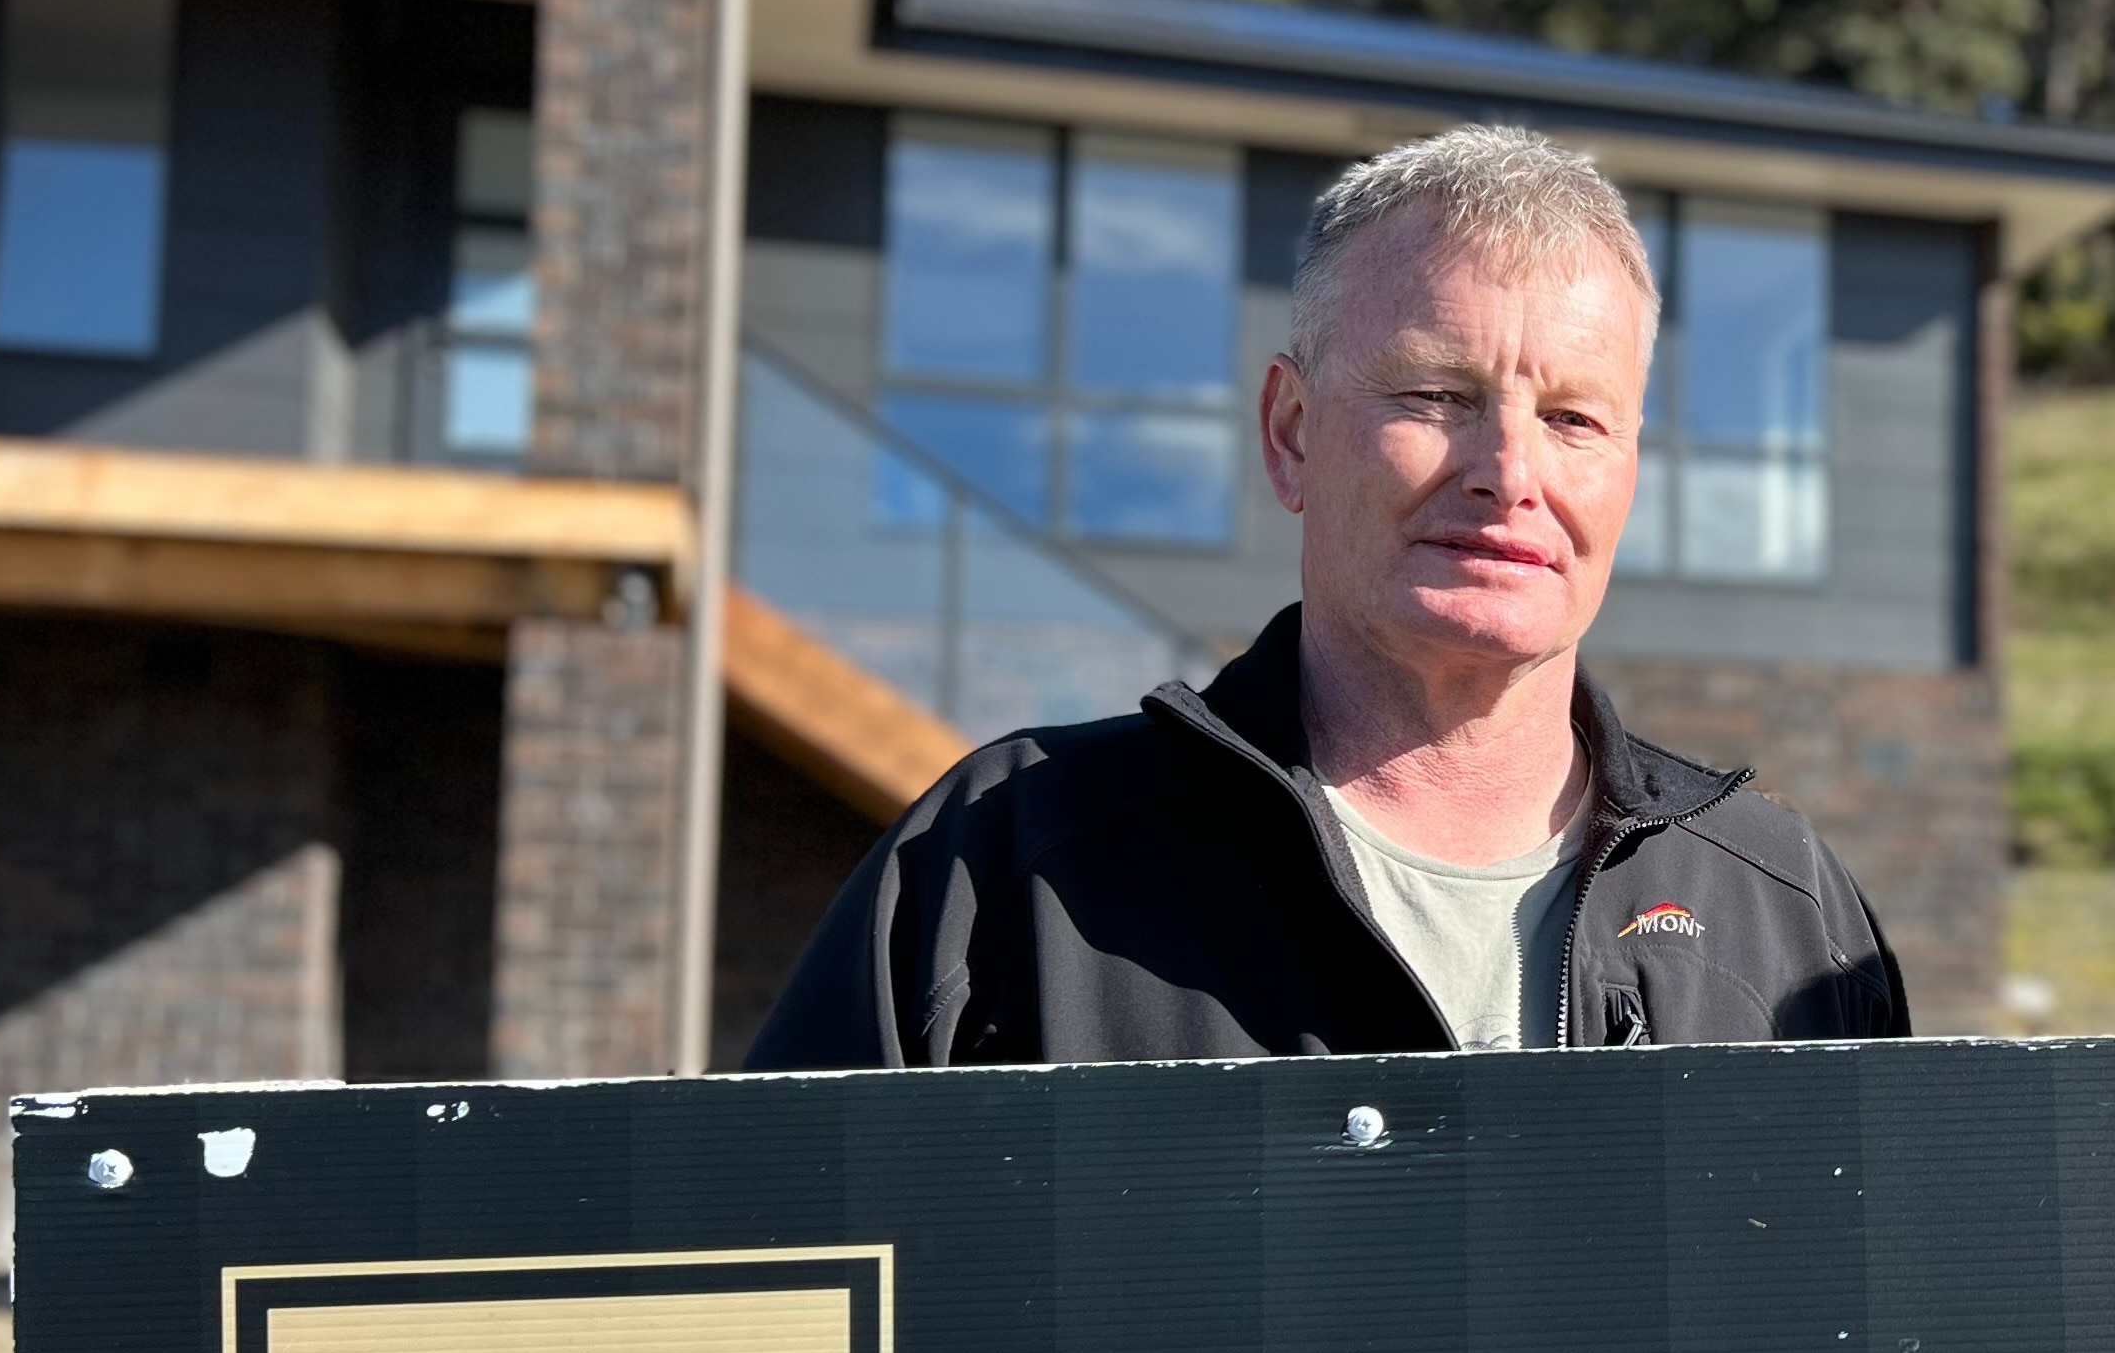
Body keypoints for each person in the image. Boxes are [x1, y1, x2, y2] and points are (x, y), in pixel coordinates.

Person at [747, 125, 1907, 1068]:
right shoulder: (999, 872)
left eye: (1572, 420)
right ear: (1292, 434)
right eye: (1436, 394)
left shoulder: (1786, 913)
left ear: (1630, 472)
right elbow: (774, 1313)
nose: (1509, 473)